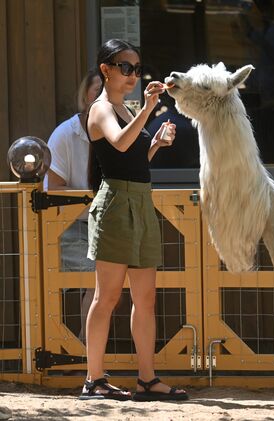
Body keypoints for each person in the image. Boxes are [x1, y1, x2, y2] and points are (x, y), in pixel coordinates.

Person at [80, 38, 187, 401]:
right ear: (106, 70)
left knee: (146, 298)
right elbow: (121, 145)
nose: (133, 75)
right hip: (115, 204)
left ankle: (147, 380)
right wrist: (149, 108)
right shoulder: (101, 109)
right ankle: (93, 380)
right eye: (126, 68)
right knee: (107, 297)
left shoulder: (125, 108)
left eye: (137, 69)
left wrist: (155, 142)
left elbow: (135, 156)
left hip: (140, 201)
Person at [44, 69, 101, 342]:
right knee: (97, 281)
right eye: (97, 89)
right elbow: (52, 188)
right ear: (85, 95)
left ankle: (86, 351)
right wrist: (91, 201)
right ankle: (85, 352)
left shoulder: (121, 129)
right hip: (70, 225)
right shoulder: (65, 133)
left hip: (108, 223)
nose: (102, 95)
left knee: (112, 289)